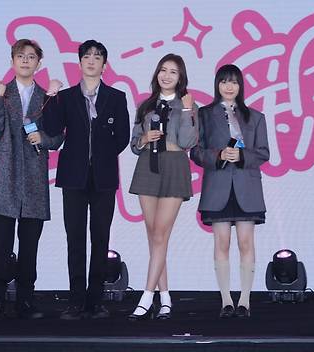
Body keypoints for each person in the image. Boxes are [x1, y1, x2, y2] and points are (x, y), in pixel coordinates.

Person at [43, 40, 130, 320]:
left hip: (103, 177)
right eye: (87, 56)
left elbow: (123, 138)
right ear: (80, 63)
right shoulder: (66, 96)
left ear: (105, 65)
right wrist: (51, 97)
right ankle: (76, 300)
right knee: (75, 238)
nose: (92, 61)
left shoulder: (116, 97)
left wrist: (100, 154)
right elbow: (54, 128)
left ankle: (96, 300)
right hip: (73, 176)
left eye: (97, 57)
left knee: (100, 238)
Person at [0, 39, 64, 320]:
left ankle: (25, 299)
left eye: (31, 57)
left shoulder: (48, 96)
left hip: (33, 178)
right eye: (20, 56)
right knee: (0, 244)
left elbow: (58, 137)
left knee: (30, 245)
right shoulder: (1, 93)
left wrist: (45, 137)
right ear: (12, 61)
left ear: (39, 63)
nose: (26, 61)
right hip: (5, 176)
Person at [190, 64, 269, 318]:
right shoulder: (204, 114)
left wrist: (242, 155)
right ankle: (226, 300)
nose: (229, 86)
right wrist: (219, 155)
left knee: (246, 243)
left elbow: (264, 153)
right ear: (217, 85)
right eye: (224, 81)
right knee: (221, 243)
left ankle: (244, 300)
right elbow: (196, 152)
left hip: (247, 186)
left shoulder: (256, 117)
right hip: (218, 185)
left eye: (233, 82)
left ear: (240, 86)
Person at [127, 53, 198, 320]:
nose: (167, 76)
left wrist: (190, 111)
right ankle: (165, 298)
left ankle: (146, 297)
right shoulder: (145, 106)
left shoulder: (188, 104)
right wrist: (144, 138)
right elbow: (134, 144)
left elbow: (189, 141)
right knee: (154, 237)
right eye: (163, 70)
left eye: (173, 72)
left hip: (175, 166)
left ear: (181, 78)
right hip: (147, 166)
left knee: (160, 234)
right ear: (157, 74)